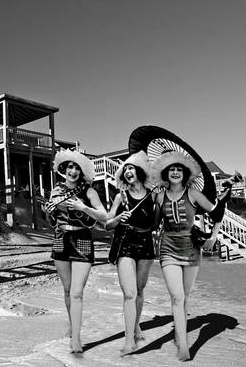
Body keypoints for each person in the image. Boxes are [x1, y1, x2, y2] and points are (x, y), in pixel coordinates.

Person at [151, 150, 232, 361]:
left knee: (184, 298)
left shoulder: (194, 195)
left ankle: (179, 334)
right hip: (168, 248)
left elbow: (217, 213)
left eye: (179, 169)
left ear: (185, 174)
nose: (175, 172)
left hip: (191, 249)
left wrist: (213, 236)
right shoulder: (159, 196)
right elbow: (153, 224)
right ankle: (184, 346)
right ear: (165, 173)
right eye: (172, 169)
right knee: (177, 297)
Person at [45, 149, 107, 353]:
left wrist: (83, 207)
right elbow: (51, 221)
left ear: (82, 172)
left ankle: (77, 337)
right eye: (70, 167)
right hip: (60, 239)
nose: (73, 171)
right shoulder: (55, 190)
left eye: (77, 168)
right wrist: (48, 213)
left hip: (82, 239)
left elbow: (104, 216)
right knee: (67, 289)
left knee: (77, 292)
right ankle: (72, 324)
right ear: (64, 169)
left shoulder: (89, 192)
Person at [106, 151, 157, 356]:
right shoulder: (121, 196)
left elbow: (158, 221)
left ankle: (136, 326)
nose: (128, 171)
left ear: (139, 172)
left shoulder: (154, 195)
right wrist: (119, 218)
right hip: (126, 242)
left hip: (145, 243)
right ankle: (129, 341)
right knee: (129, 294)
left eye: (131, 168)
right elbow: (107, 224)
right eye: (125, 169)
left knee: (139, 290)